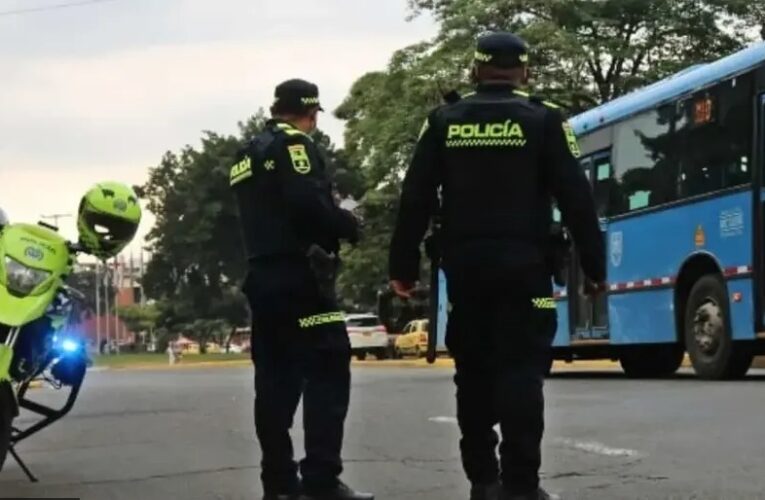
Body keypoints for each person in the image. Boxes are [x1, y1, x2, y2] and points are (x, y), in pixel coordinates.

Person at [388, 32, 607, 500]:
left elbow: (415, 199)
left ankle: (483, 480)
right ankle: (521, 485)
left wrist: (401, 268)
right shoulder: (546, 121)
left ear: (475, 70)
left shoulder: (443, 121)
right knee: (523, 374)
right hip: (526, 269)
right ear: (524, 71)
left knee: (473, 374)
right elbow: (577, 198)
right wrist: (595, 267)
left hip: (466, 273)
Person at [230, 78, 373, 500]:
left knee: (274, 381)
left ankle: (277, 482)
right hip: (302, 279)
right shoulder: (295, 145)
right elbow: (308, 205)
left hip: (262, 278)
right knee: (328, 370)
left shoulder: (245, 153)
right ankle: (321, 480)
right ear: (310, 113)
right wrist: (348, 224)